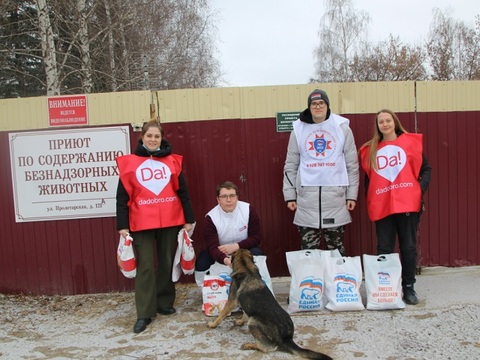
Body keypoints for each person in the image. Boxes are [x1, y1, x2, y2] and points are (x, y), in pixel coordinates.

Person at [116, 121, 195, 333]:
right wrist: (122, 226)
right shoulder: (130, 163)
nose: (153, 139)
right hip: (140, 223)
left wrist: (189, 219)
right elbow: (121, 197)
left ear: (162, 138)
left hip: (171, 220)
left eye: (157, 136)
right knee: (146, 266)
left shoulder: (172, 162)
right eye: (149, 136)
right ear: (142, 138)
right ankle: (144, 313)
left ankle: (163, 302)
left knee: (167, 261)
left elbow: (183, 192)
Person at [359, 109, 431, 305]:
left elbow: (426, 169)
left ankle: (408, 287)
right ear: (378, 125)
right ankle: (387, 288)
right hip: (383, 205)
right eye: (381, 121)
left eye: (388, 120)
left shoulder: (410, 143)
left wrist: (418, 189)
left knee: (408, 246)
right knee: (384, 247)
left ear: (394, 122)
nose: (385, 124)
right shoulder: (370, 149)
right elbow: (368, 178)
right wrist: (371, 196)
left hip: (407, 204)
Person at [283, 89, 359, 256]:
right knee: (309, 255)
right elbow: (291, 165)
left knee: (337, 254)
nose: (318, 106)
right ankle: (312, 282)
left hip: (335, 201)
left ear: (327, 105)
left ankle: (338, 281)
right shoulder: (298, 131)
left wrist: (351, 195)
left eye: (321, 103)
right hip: (306, 202)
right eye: (314, 103)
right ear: (309, 107)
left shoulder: (342, 129)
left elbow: (352, 165)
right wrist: (290, 196)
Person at [194, 181, 262, 286]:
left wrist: (236, 246)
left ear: (237, 197)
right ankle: (209, 294)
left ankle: (257, 287)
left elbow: (256, 238)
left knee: (257, 253)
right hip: (221, 251)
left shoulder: (248, 209)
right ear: (218, 199)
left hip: (242, 248)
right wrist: (225, 260)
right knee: (202, 263)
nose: (229, 200)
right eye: (224, 196)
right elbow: (212, 247)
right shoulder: (210, 218)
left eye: (232, 195)